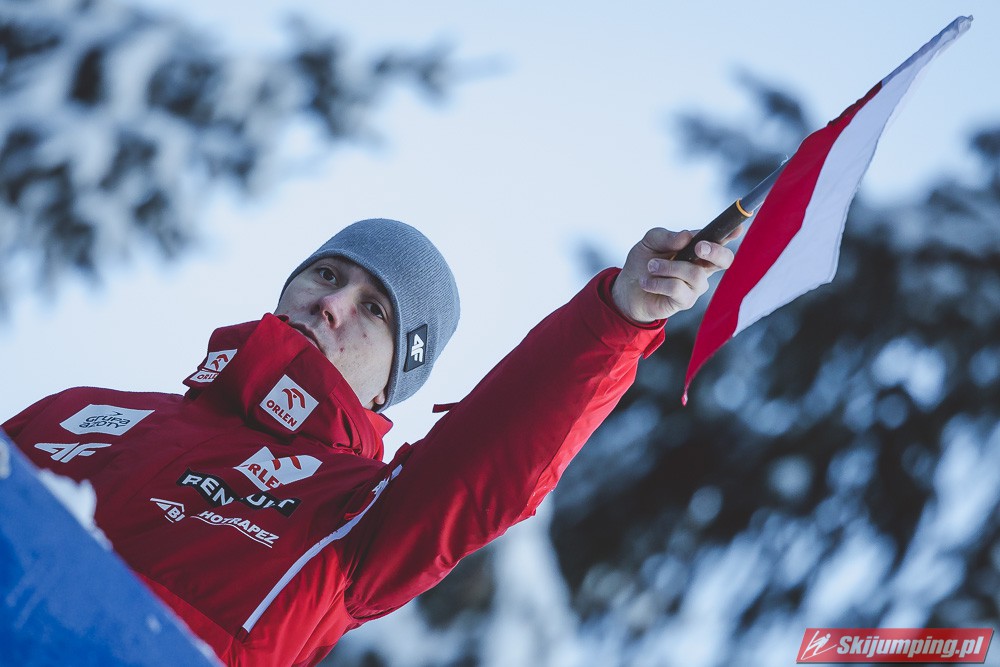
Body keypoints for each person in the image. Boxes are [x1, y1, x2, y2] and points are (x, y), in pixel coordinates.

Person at [2, 217, 736, 666]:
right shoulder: (79, 408)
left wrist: (617, 319)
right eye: (326, 274)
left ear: (390, 384)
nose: (331, 303)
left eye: (375, 310)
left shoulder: (359, 520)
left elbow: (494, 457)